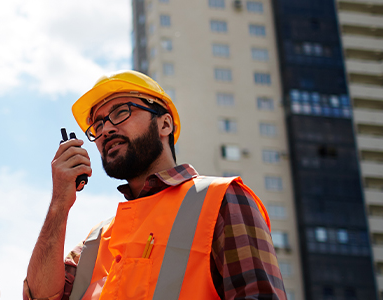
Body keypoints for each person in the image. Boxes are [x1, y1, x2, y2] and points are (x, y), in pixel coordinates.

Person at [24, 70, 286, 300]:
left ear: (165, 124)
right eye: (98, 124)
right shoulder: (95, 242)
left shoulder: (222, 199)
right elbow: (40, 297)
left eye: (121, 112)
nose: (105, 130)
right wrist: (59, 203)